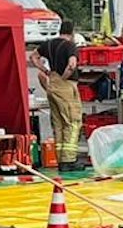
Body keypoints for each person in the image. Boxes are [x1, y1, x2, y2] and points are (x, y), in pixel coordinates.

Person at [33, 22, 84, 169]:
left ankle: (60, 158)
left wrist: (45, 70)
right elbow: (72, 64)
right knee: (72, 121)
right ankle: (69, 160)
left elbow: (34, 57)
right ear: (72, 33)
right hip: (66, 85)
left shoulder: (48, 44)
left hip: (52, 84)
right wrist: (65, 76)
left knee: (58, 122)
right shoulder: (70, 46)